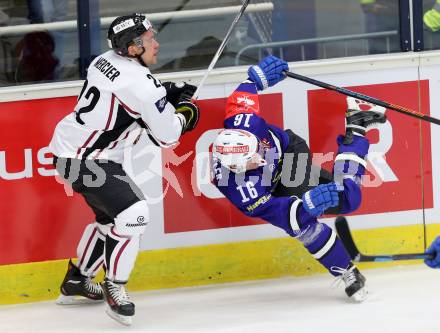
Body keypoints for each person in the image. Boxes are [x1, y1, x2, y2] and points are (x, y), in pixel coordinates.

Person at [48, 13, 199, 326]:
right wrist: (185, 112)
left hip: (67, 151)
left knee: (109, 219)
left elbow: (127, 97)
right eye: (149, 40)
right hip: (89, 160)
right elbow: (167, 136)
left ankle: (78, 279)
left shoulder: (104, 60)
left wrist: (165, 91)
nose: (156, 43)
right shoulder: (143, 87)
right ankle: (115, 287)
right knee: (134, 214)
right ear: (132, 49)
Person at [212, 55, 387, 302]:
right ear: (237, 167)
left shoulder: (244, 122)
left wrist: (256, 78)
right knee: (307, 225)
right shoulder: (240, 188)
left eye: (256, 151)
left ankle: (356, 130)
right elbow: (284, 213)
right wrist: (307, 204)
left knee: (347, 199)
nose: (258, 158)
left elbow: (242, 95)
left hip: (290, 152)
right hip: (274, 190)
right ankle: (347, 271)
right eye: (251, 162)